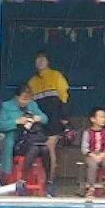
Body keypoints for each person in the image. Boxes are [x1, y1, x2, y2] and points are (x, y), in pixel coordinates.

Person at [0, 84, 53, 196]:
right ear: (16, 97)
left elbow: (45, 118)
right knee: (35, 148)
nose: (26, 101)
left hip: (31, 138)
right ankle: (22, 179)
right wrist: (17, 122)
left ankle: (48, 181)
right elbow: (0, 125)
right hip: (17, 141)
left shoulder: (32, 105)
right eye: (23, 99)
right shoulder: (6, 106)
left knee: (45, 149)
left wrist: (37, 118)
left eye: (28, 99)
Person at [28, 51, 69, 193]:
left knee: (49, 148)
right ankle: (39, 180)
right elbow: (29, 104)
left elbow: (65, 97)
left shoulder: (56, 76)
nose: (40, 62)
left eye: (43, 59)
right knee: (40, 149)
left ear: (48, 62)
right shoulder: (32, 82)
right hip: (39, 122)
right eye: (38, 59)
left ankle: (50, 181)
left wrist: (64, 117)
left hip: (54, 120)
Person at [81, 107, 105, 198]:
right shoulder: (87, 132)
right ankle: (91, 187)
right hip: (91, 155)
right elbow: (84, 147)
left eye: (104, 117)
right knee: (92, 165)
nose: (103, 119)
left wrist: (102, 155)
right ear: (93, 119)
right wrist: (92, 155)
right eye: (100, 117)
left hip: (103, 154)